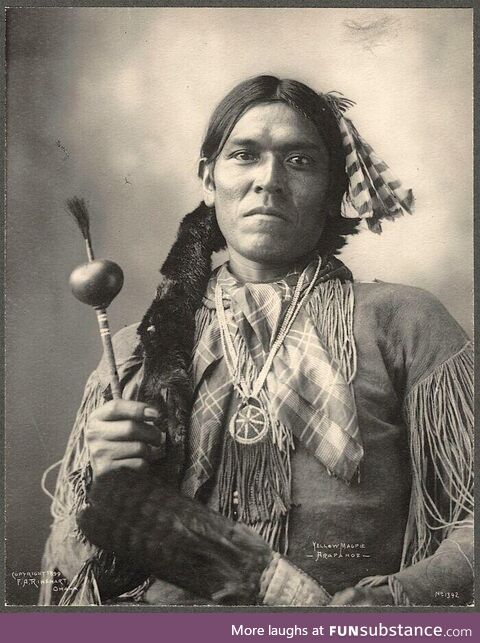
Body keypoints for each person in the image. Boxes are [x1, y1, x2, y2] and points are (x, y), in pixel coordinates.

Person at [40, 75, 473, 607]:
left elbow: (471, 520)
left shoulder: (406, 322)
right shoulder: (137, 351)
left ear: (334, 190)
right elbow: (75, 576)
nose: (269, 179)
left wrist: (397, 599)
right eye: (244, 155)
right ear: (208, 178)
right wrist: (110, 488)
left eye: (300, 160)